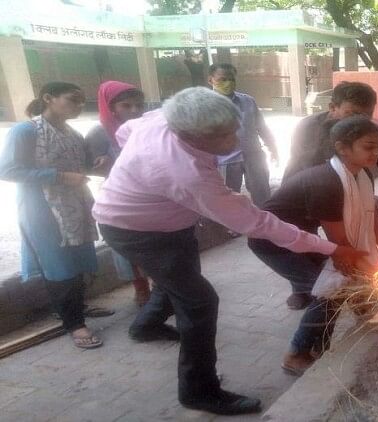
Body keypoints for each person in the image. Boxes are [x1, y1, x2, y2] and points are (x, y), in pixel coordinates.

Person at [93, 87, 363, 415]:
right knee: (199, 300)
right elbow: (259, 224)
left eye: (235, 129)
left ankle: (146, 325)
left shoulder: (164, 118)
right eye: (222, 136)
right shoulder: (188, 174)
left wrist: (145, 177)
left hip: (170, 222)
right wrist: (331, 247)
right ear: (189, 135)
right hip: (135, 229)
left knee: (178, 277)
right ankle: (199, 391)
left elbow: (125, 132)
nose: (235, 140)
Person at [250, 115, 378, 375]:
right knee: (332, 289)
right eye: (369, 147)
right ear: (342, 148)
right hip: (272, 242)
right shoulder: (326, 182)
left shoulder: (362, 174)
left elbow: (370, 219)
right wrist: (375, 272)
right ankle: (296, 354)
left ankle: (328, 340)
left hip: (303, 237)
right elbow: (341, 247)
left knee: (345, 281)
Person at [282, 81, 378, 310]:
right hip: (306, 194)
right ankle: (305, 288)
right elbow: (310, 171)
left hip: (340, 183)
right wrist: (355, 198)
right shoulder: (309, 128)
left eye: (366, 115)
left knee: (366, 220)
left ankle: (370, 278)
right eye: (352, 113)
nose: (360, 120)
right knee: (307, 242)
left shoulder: (367, 131)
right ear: (333, 108)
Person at [0, 82, 109, 349]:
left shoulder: (72, 132)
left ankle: (74, 309)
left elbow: (78, 165)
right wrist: (58, 176)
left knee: (78, 259)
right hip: (42, 209)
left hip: (75, 205)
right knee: (58, 264)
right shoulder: (26, 131)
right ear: (48, 98)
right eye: (73, 99)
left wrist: (94, 164)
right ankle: (74, 324)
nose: (79, 106)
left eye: (82, 101)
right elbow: (8, 170)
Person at [84, 80, 152, 306]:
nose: (134, 110)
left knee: (155, 241)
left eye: (139, 105)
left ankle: (163, 285)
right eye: (126, 105)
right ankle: (141, 288)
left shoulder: (147, 125)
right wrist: (104, 163)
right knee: (129, 245)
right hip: (121, 197)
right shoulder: (100, 133)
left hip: (151, 193)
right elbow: (89, 166)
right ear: (111, 107)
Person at [208, 63, 278, 205]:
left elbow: (262, 127)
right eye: (223, 79)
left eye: (231, 79)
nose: (228, 83)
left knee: (263, 195)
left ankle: (265, 218)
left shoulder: (248, 101)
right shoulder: (204, 106)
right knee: (228, 200)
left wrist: (273, 147)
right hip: (225, 161)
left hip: (254, 156)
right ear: (210, 80)